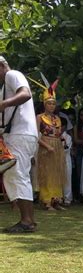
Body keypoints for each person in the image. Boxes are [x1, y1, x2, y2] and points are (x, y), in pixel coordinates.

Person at [0, 56, 39, 233]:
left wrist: (3, 104)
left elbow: (25, 94)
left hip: (21, 134)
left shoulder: (12, 74)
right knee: (12, 174)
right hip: (16, 134)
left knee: (18, 174)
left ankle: (27, 221)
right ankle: (27, 219)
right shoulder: (5, 85)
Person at [35, 83, 66, 210]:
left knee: (57, 173)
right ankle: (47, 200)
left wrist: (61, 139)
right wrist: (47, 146)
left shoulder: (57, 119)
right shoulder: (39, 117)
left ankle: (56, 199)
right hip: (45, 147)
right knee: (46, 174)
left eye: (53, 103)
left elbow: (58, 134)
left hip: (57, 147)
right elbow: (36, 136)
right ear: (44, 104)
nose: (51, 106)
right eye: (49, 103)